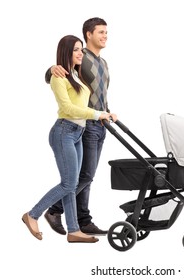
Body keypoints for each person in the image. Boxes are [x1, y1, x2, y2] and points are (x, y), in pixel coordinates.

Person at [22, 34, 112, 243]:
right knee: (69, 183)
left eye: (81, 49)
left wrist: (106, 111)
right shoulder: (59, 76)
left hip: (78, 132)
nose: (81, 53)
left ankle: (74, 230)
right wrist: (98, 114)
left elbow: (88, 101)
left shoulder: (76, 75)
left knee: (72, 183)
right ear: (66, 52)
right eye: (76, 50)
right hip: (64, 131)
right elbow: (67, 108)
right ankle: (32, 215)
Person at [44, 17, 117, 236]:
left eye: (106, 32)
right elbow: (54, 75)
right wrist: (52, 68)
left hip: (101, 123)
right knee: (84, 175)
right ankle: (54, 210)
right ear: (88, 34)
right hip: (86, 124)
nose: (105, 36)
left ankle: (83, 219)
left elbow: (102, 93)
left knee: (88, 175)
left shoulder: (102, 62)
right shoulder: (80, 55)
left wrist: (107, 114)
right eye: (101, 32)